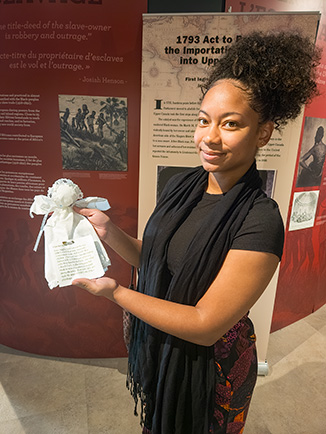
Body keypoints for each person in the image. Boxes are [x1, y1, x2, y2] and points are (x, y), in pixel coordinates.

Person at [72, 32, 320, 434]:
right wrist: (109, 232)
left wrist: (115, 293)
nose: (210, 136)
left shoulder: (260, 219)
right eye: (203, 120)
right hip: (161, 346)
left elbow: (207, 324)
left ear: (264, 133)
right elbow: (155, 257)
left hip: (214, 370)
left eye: (231, 124)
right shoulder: (181, 186)